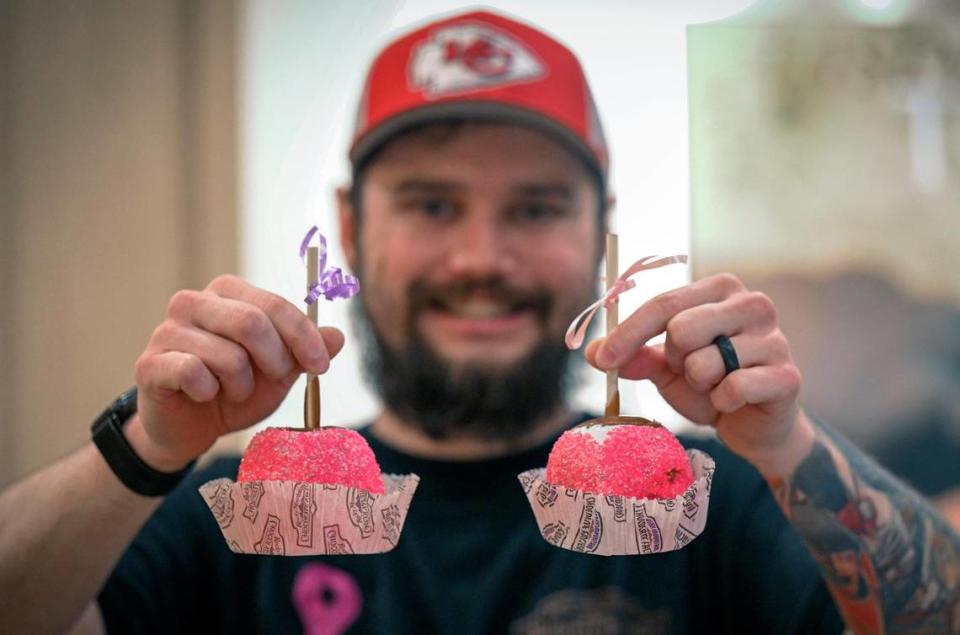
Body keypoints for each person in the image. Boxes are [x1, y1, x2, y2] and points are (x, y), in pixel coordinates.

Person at [1, 9, 958, 634]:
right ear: (349, 227)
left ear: (601, 241)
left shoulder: (709, 504)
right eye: (430, 204)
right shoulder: (240, 521)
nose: (481, 259)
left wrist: (788, 444)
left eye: (535, 208)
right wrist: (144, 445)